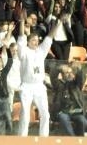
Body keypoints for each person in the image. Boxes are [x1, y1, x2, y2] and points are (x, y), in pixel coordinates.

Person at [16, 9, 59, 137]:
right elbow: (21, 38)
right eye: (33, 40)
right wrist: (22, 22)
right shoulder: (23, 52)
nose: (36, 42)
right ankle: (22, 138)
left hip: (39, 86)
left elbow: (49, 37)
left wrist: (58, 23)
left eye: (37, 40)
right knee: (25, 114)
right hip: (26, 86)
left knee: (45, 113)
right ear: (28, 42)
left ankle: (43, 138)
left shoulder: (41, 51)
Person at [51, 63, 87, 136]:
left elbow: (81, 77)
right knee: (64, 119)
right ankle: (73, 139)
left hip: (76, 112)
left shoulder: (77, 85)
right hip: (63, 112)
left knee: (84, 122)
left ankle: (79, 139)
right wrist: (60, 68)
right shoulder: (58, 84)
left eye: (71, 72)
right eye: (67, 73)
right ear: (62, 75)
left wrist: (79, 69)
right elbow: (53, 76)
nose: (69, 74)